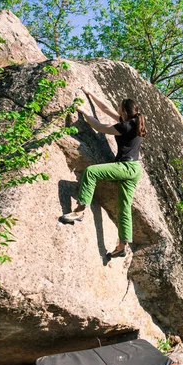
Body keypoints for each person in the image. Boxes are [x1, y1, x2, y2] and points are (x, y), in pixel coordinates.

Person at [60, 88, 147, 259]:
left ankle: (79, 210)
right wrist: (90, 95)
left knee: (91, 172)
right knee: (124, 208)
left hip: (126, 167)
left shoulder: (125, 126)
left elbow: (98, 127)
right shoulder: (135, 123)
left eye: (119, 107)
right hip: (135, 170)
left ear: (123, 111)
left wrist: (84, 111)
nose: (116, 108)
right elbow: (106, 109)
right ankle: (122, 245)